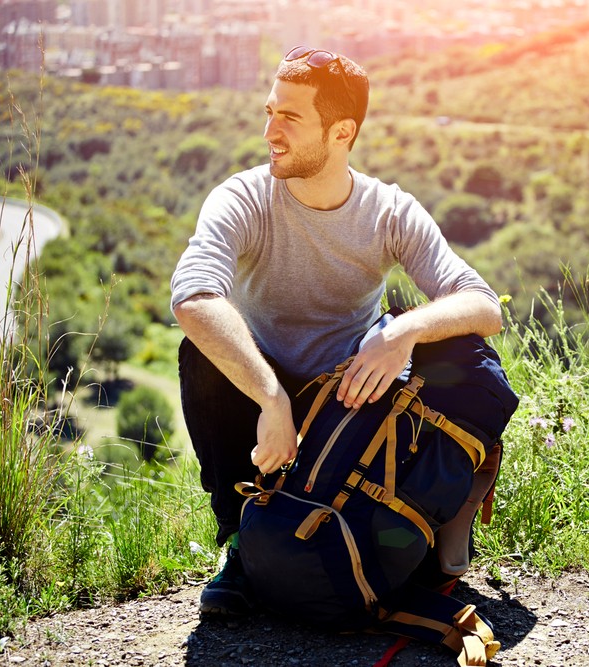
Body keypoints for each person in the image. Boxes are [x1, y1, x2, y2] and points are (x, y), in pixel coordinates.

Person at [170, 46, 503, 618]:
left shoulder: (388, 211)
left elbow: (482, 304)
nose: (270, 130)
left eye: (289, 118)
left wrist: (403, 332)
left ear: (342, 131)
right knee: (200, 352)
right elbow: (193, 296)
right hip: (260, 392)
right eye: (269, 111)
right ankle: (238, 545)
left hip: (350, 397)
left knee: (461, 348)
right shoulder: (245, 197)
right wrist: (270, 397)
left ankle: (434, 513)